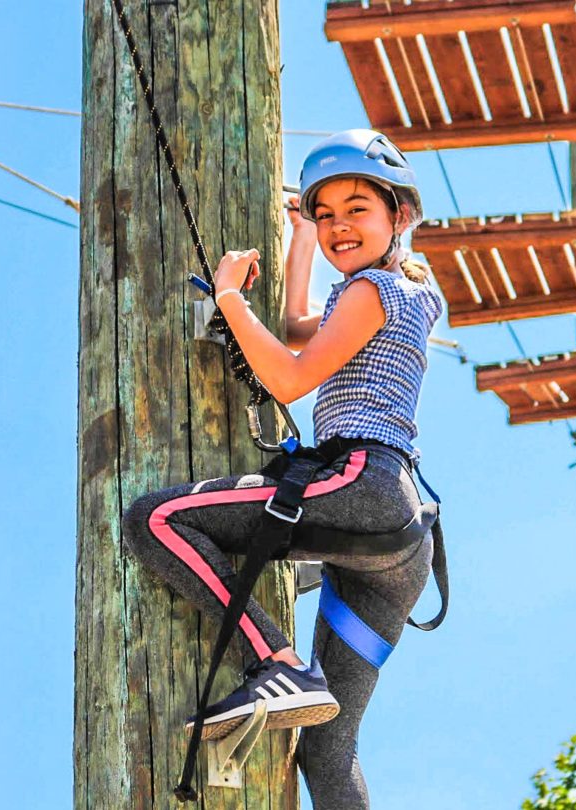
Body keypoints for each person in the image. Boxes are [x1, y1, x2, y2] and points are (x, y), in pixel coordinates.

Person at [120, 129, 444, 808]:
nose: (338, 226)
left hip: (363, 487)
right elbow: (299, 325)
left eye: (356, 208)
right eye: (325, 215)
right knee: (328, 750)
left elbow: (291, 378)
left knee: (154, 521)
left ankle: (276, 662)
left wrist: (231, 297)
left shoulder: (372, 291)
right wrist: (299, 240)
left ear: (400, 216)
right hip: (396, 552)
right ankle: (291, 675)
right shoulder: (396, 294)